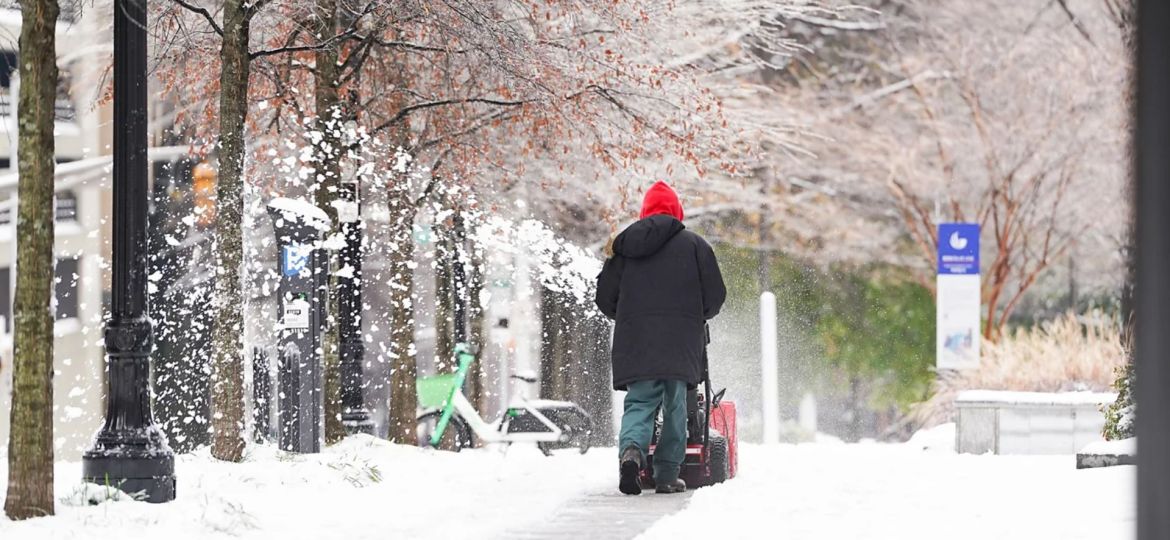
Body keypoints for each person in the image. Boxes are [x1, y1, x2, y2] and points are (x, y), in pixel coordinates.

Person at [595, 181, 727, 495]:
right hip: (681, 343)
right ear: (677, 212)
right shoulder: (696, 246)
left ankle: (631, 453)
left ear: (644, 212)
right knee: (676, 406)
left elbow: (604, 297)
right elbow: (716, 296)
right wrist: (698, 315)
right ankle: (667, 475)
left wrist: (628, 317)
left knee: (639, 402)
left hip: (637, 341)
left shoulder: (623, 247)